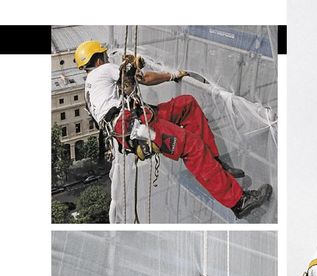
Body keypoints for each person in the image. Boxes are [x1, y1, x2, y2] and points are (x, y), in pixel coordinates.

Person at [74, 40, 272, 219]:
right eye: (105, 56)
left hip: (137, 118)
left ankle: (215, 164)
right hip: (135, 125)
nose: (108, 58)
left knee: (186, 105)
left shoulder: (89, 87)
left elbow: (121, 95)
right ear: (98, 60)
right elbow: (146, 78)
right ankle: (238, 202)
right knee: (192, 147)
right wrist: (173, 75)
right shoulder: (104, 70)